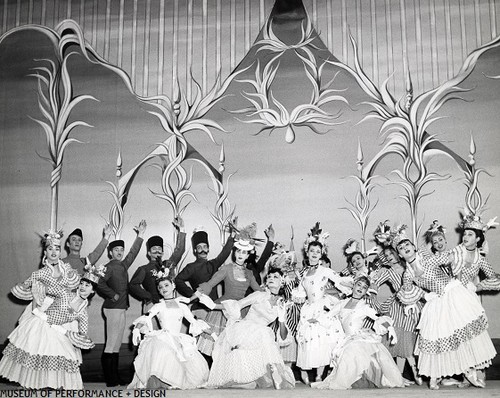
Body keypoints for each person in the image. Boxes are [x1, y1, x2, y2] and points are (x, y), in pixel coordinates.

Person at [395, 225, 496, 390]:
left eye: (407, 245)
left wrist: (472, 249)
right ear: (399, 254)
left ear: (414, 247)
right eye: (401, 248)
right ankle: (436, 375)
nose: (405, 248)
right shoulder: (407, 274)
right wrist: (424, 295)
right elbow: (407, 290)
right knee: (438, 336)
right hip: (436, 301)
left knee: (461, 333)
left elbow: (452, 256)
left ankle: (469, 369)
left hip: (452, 293)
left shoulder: (429, 259)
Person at [0, 231, 98, 389]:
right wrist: (37, 311)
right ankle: (36, 383)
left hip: (65, 312)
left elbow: (78, 288)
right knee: (41, 347)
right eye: (51, 249)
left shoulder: (67, 268)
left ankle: (56, 384)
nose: (54, 252)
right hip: (45, 310)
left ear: (60, 251)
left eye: (57, 249)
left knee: (63, 350)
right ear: (45, 252)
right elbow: (26, 289)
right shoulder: (39, 273)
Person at [204, 268, 296, 389]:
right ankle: (242, 380)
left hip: (262, 332)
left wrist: (282, 318)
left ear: (282, 282)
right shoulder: (259, 295)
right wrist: (214, 305)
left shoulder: (283, 303)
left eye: (275, 277)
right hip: (246, 328)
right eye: (269, 276)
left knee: (266, 335)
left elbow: (283, 337)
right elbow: (238, 304)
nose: (271, 278)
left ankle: (261, 378)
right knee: (255, 339)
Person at [311, 276, 404, 390]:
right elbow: (328, 315)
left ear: (366, 292)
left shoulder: (364, 306)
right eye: (359, 285)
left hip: (359, 338)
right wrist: (314, 320)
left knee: (356, 352)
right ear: (354, 285)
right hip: (346, 338)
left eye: (364, 287)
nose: (361, 288)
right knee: (348, 355)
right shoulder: (342, 303)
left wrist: (390, 328)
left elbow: (378, 317)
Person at [195, 223, 272, 360]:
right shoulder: (226, 268)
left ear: (248, 254)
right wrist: (191, 297)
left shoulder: (249, 273)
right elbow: (210, 284)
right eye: (238, 251)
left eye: (244, 252)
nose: (240, 254)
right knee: (218, 348)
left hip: (240, 312)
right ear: (234, 252)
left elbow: (258, 292)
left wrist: (273, 293)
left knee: (236, 349)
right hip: (222, 311)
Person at [128, 275, 211, 389]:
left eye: (166, 285)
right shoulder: (159, 305)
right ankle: (162, 381)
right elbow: (147, 316)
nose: (163, 289)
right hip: (164, 337)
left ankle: (174, 381)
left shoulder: (182, 306)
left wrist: (213, 335)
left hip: (178, 338)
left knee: (187, 358)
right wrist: (137, 329)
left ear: (173, 286)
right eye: (160, 287)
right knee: (161, 351)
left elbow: (194, 321)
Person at [295, 237, 353, 385]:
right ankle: (305, 371)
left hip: (322, 306)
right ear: (307, 253)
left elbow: (338, 280)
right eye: (312, 251)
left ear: (321, 255)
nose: (314, 253)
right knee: (309, 339)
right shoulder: (304, 274)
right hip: (309, 308)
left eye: (318, 251)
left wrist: (347, 287)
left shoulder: (325, 270)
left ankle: (320, 376)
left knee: (324, 339)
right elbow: (301, 294)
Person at [97, 220, 147, 387]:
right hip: (112, 308)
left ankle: (115, 377)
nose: (119, 252)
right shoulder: (108, 266)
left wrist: (140, 235)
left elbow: (133, 253)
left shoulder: (123, 265)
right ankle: (110, 379)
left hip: (120, 308)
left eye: (121, 250)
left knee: (117, 344)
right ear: (110, 253)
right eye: (116, 250)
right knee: (111, 343)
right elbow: (99, 283)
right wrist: (113, 295)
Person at [174, 222, 236, 320]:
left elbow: (225, 253)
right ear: (195, 251)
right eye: (199, 247)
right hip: (199, 309)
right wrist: (192, 295)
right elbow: (178, 280)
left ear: (208, 249)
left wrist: (232, 236)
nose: (202, 250)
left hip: (215, 308)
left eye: (205, 247)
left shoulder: (213, 263)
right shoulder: (191, 267)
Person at [129, 216, 186, 314]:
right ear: (149, 253)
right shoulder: (144, 269)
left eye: (159, 248)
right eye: (154, 249)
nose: (157, 250)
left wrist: (182, 229)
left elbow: (179, 251)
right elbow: (133, 285)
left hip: (169, 304)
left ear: (163, 252)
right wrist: (148, 296)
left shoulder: (167, 265)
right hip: (152, 305)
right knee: (150, 329)